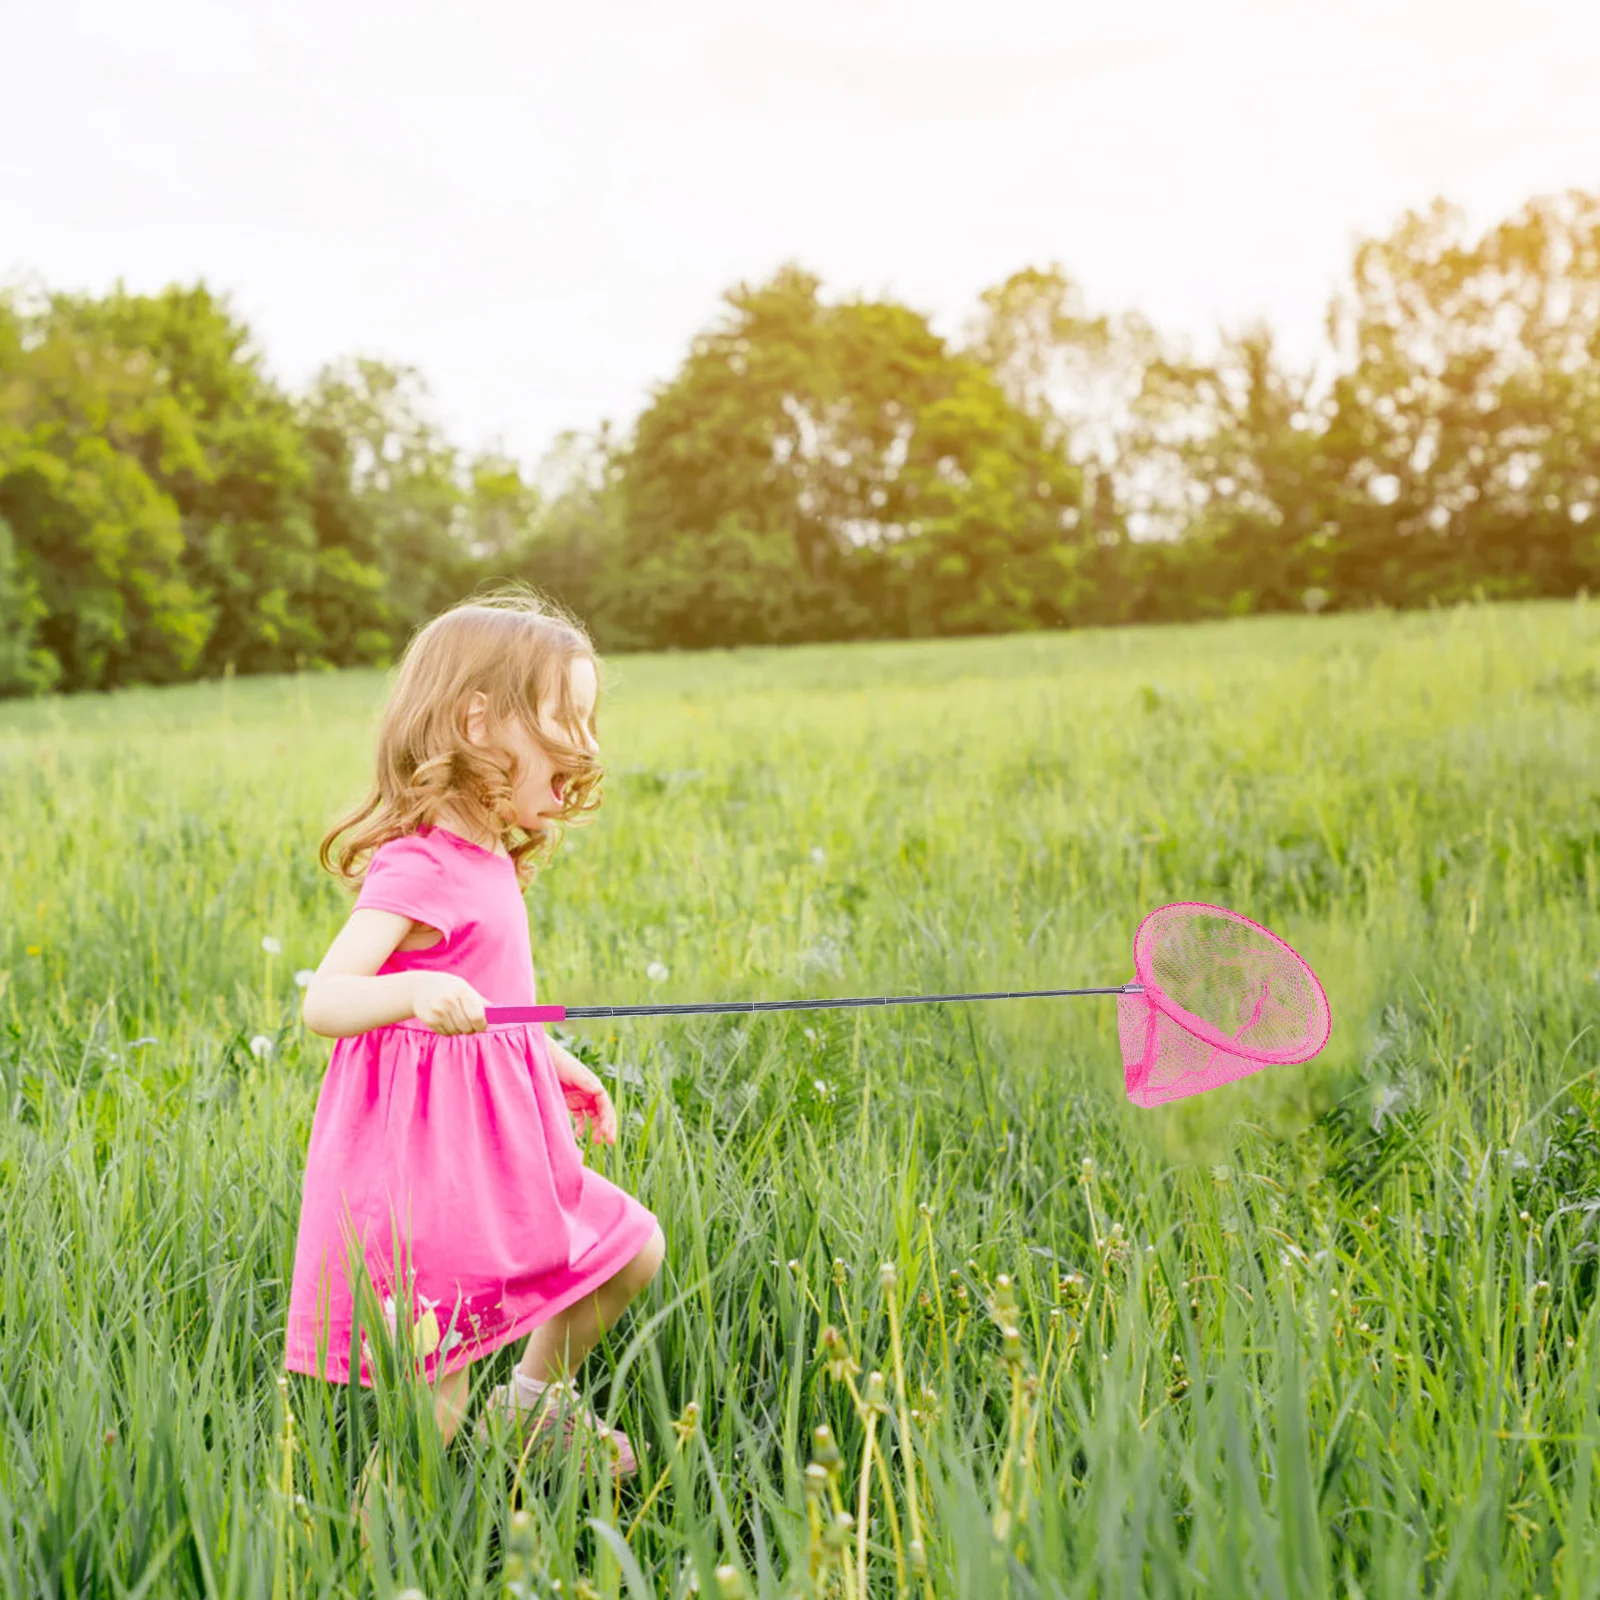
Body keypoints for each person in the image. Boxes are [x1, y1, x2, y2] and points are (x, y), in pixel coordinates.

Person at [282, 588, 665, 1541]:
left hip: (499, 1151)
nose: (585, 743)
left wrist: (551, 1057)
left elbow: (492, 1002)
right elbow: (324, 1002)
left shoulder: (489, 855)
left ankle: (529, 1407)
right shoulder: (417, 866)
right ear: (477, 720)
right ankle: (370, 1542)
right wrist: (414, 992)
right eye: (564, 717)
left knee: (630, 1249)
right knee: (438, 1381)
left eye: (589, 719)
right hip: (430, 1170)